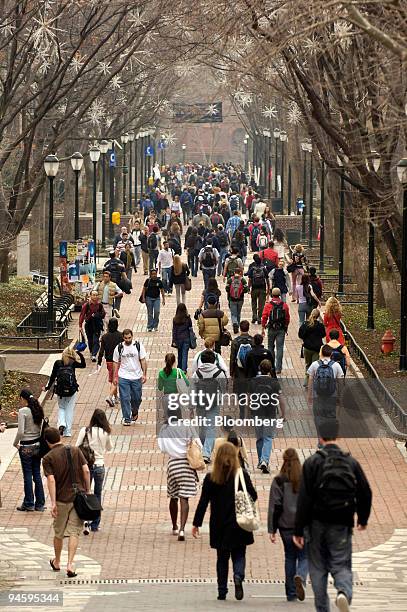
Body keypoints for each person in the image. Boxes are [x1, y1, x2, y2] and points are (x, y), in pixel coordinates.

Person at [293, 420, 372, 612]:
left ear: (320, 437)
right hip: (342, 522)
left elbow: (304, 498)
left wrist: (299, 530)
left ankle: (322, 608)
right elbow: (365, 491)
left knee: (318, 568)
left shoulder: (312, 462)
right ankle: (343, 592)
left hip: (316, 523)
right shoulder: (350, 462)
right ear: (339, 436)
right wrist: (362, 518)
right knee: (341, 563)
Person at [192, 442, 257, 601]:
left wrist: (196, 523)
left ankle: (222, 591)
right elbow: (254, 495)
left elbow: (203, 502)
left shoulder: (211, 478)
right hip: (240, 522)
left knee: (222, 558)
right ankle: (238, 576)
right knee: (239, 553)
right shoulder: (242, 475)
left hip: (219, 524)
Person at [42, 427, 91, 577]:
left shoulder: (48, 458)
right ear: (60, 437)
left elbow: (51, 480)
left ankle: (57, 561)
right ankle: (70, 564)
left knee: (59, 532)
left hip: (62, 499)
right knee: (75, 532)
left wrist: (53, 503)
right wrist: (87, 491)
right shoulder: (75, 450)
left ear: (47, 441)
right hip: (78, 498)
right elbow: (86, 471)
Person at [268, 448, 308, 602]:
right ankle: (301, 577)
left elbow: (275, 506)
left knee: (290, 557)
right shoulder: (306, 479)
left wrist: (272, 529)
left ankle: (291, 592)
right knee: (305, 555)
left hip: (285, 526)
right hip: (304, 525)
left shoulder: (279, 480)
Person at [158, 412, 201, 542]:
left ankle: (174, 526)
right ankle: (182, 529)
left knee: (173, 496)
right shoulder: (187, 425)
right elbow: (198, 444)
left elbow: (162, 448)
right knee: (184, 498)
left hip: (172, 464)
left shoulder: (164, 429)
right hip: (186, 464)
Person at [75, 409, 112, 533]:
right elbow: (109, 447)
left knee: (85, 492)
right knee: (97, 494)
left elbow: (77, 446)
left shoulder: (85, 431)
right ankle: (95, 524)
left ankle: (85, 519)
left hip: (86, 465)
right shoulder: (105, 433)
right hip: (100, 465)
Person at [192, 350, 227, 463]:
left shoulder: (197, 373)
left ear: (201, 360)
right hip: (214, 403)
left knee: (202, 427)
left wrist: (191, 407)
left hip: (200, 403)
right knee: (211, 427)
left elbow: (192, 391)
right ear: (213, 360)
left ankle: (203, 450)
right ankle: (206, 453)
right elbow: (223, 388)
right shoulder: (219, 373)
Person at [14, 390, 46, 512]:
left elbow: (21, 431)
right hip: (37, 446)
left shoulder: (23, 412)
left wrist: (15, 443)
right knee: (37, 474)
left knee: (27, 475)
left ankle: (29, 503)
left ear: (23, 398)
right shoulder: (38, 409)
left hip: (26, 447)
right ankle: (40, 503)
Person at [44, 347, 86, 437]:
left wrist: (47, 387)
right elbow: (83, 365)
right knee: (69, 409)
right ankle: (68, 432)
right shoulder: (72, 363)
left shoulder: (57, 363)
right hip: (71, 390)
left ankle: (62, 424)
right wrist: (80, 354)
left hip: (60, 390)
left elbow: (52, 376)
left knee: (62, 407)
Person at [250, 359, 282, 474]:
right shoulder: (274, 382)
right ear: (270, 370)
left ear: (260, 368)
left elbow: (249, 397)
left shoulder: (253, 381)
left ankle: (260, 460)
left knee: (259, 438)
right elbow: (280, 399)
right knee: (268, 438)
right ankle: (264, 460)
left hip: (257, 412)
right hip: (270, 413)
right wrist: (284, 413)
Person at [307, 345, 344, 439]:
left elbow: (310, 380)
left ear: (321, 353)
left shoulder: (315, 364)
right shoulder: (336, 365)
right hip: (332, 395)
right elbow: (340, 382)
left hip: (317, 395)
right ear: (331, 354)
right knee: (331, 416)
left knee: (318, 416)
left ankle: (320, 438)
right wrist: (340, 396)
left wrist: (309, 395)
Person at [113, 328, 147, 426]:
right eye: (126, 338)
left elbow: (143, 360)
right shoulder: (119, 347)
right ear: (123, 338)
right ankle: (127, 418)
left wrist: (144, 374)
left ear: (132, 336)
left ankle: (135, 410)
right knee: (124, 397)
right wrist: (115, 376)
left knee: (137, 398)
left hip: (136, 376)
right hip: (123, 376)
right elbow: (115, 362)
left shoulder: (138, 346)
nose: (128, 340)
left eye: (129, 338)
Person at [261, 288, 290, 375]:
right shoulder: (284, 305)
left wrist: (263, 328)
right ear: (280, 294)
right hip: (281, 329)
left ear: (271, 295)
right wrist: (286, 327)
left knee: (270, 347)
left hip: (271, 329)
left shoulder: (268, 305)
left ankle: (271, 366)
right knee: (280, 348)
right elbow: (287, 318)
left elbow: (264, 317)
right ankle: (278, 368)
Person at [97, 317, 122, 407]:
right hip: (118, 361)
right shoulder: (121, 335)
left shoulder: (105, 337)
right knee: (115, 380)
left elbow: (101, 350)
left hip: (109, 361)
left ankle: (115, 397)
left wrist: (99, 361)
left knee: (113, 379)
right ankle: (111, 397)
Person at [298, 309, 327, 386]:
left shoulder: (305, 324)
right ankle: (313, 382)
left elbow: (300, 335)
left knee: (308, 364)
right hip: (316, 349)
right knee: (315, 365)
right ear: (318, 316)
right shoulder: (320, 326)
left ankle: (306, 380)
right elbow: (323, 334)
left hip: (307, 348)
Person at [79, 291, 106, 362]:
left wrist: (97, 315)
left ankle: (94, 355)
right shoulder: (86, 305)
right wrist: (80, 325)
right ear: (90, 296)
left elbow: (103, 314)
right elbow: (82, 315)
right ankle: (91, 352)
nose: (95, 297)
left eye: (96, 295)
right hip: (89, 325)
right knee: (90, 340)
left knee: (96, 340)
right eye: (93, 295)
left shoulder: (100, 305)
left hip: (97, 325)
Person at [103, 249, 127, 314]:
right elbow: (124, 275)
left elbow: (104, 274)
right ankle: (116, 308)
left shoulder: (107, 264)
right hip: (118, 281)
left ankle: (112, 309)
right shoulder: (120, 263)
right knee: (119, 295)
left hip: (109, 283)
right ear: (115, 255)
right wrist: (126, 282)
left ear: (110, 255)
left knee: (110, 296)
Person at [247, 253, 269, 324]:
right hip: (262, 288)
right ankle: (259, 318)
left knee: (254, 303)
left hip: (254, 288)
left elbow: (250, 279)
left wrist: (248, 288)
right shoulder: (264, 268)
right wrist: (268, 288)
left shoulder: (252, 269)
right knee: (261, 304)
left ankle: (254, 316)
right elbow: (267, 279)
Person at [226, 268, 249, 334]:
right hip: (240, 299)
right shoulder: (243, 280)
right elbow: (246, 289)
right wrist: (241, 292)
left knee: (233, 314)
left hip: (232, 299)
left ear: (234, 272)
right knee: (238, 313)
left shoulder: (230, 280)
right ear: (240, 273)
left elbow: (227, 289)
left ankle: (235, 323)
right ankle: (238, 326)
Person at [172, 304, 193, 373]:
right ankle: (184, 369)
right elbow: (190, 327)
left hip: (178, 339)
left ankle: (179, 367)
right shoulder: (188, 318)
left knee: (179, 354)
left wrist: (174, 340)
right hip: (186, 338)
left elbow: (174, 331)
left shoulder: (175, 319)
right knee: (185, 354)